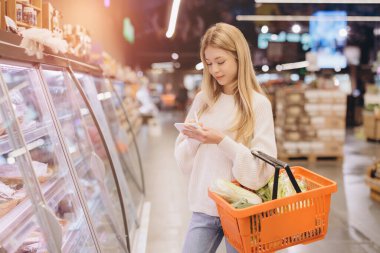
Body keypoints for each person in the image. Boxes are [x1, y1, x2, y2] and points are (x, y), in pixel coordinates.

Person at [174, 23, 277, 253]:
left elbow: (262, 171)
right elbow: (182, 161)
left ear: (239, 57)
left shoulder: (258, 105)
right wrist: (194, 138)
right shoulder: (203, 100)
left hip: (242, 212)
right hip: (203, 206)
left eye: (220, 62)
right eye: (209, 63)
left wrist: (222, 141)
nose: (214, 70)